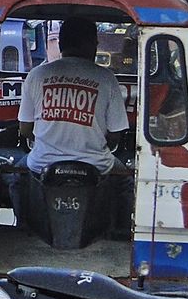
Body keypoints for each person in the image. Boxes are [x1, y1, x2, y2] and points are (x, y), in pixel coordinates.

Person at [9, 17, 132, 231]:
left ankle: (24, 228)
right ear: (92, 44)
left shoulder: (37, 75)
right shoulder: (106, 77)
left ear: (61, 43)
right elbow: (115, 135)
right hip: (97, 164)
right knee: (126, 183)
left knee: (15, 178)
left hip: (42, 163)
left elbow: (25, 129)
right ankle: (119, 234)